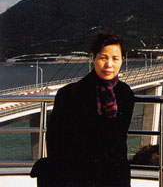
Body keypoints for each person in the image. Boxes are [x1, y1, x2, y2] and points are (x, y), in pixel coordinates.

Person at [31, 32, 135, 186]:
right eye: (103, 58)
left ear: (122, 60)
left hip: (113, 176)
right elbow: (54, 142)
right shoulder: (69, 94)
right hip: (77, 176)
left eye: (115, 58)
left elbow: (119, 140)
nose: (109, 65)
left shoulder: (125, 94)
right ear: (93, 58)